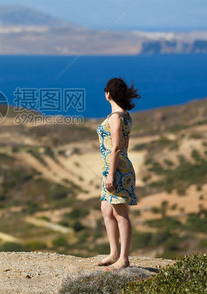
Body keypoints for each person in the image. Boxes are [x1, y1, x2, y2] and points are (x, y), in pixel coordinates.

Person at [94, 77, 140, 271]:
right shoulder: (126, 116)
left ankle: (123, 258)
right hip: (117, 168)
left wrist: (111, 174)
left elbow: (116, 148)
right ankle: (113, 253)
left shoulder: (115, 117)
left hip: (116, 170)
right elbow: (125, 146)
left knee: (121, 214)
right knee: (107, 210)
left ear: (108, 94)